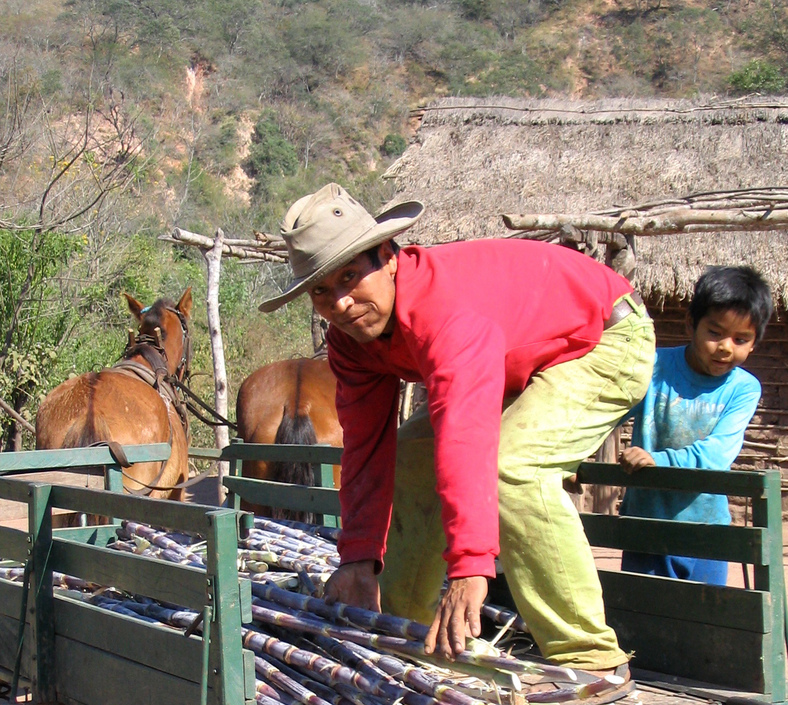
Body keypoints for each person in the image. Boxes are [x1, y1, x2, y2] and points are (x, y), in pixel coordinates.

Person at [259, 183, 655, 678]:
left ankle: (590, 658)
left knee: (513, 467)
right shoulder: (351, 342)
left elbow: (465, 438)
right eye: (322, 290)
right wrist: (358, 558)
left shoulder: (445, 312)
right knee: (406, 459)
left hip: (601, 339)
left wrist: (470, 567)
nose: (340, 303)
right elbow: (367, 446)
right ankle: (409, 635)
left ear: (388, 256)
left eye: (351, 277)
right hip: (517, 362)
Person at [619, 264, 772, 585]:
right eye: (715, 333)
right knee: (643, 620)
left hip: (706, 530)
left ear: (754, 343)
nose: (726, 347)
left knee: (703, 627)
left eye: (741, 339)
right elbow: (606, 412)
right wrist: (573, 456)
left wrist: (658, 461)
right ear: (691, 324)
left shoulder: (743, 389)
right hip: (646, 525)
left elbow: (717, 455)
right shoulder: (653, 366)